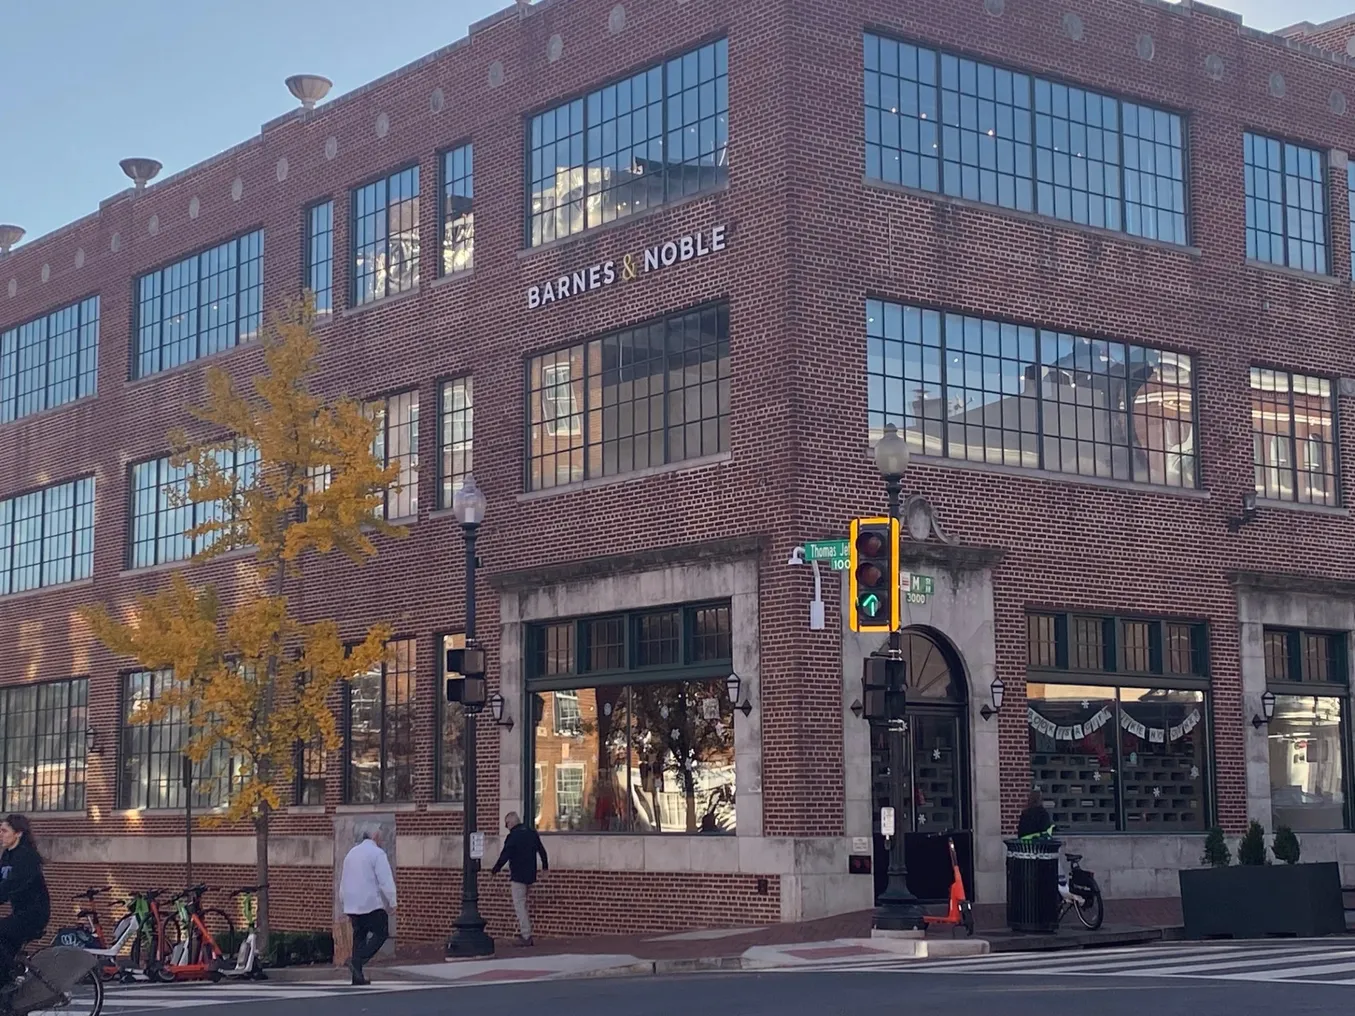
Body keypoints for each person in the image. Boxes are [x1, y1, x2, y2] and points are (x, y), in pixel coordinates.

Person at [338, 828, 396, 986]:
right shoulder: (377, 854)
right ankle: (357, 961)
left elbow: (344, 880)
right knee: (381, 931)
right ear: (376, 836)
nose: (382, 840)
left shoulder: (351, 853)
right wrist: (392, 902)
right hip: (369, 902)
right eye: (381, 836)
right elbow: (385, 880)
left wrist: (343, 901)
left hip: (352, 903)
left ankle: (358, 976)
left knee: (359, 936)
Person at [0, 815, 50, 994]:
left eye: (5, 831)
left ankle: (12, 979)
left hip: (34, 915)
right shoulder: (7, 855)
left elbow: (12, 885)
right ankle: (8, 992)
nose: (1, 834)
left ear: (18, 833)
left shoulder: (26, 857)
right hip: (20, 913)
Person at [491, 812, 548, 946]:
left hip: (518, 875)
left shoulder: (513, 837)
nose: (506, 827)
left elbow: (505, 855)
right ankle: (525, 932)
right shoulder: (531, 833)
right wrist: (545, 867)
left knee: (519, 905)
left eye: (506, 824)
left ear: (511, 823)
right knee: (523, 903)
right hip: (530, 874)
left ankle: (526, 935)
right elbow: (542, 851)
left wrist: (495, 870)